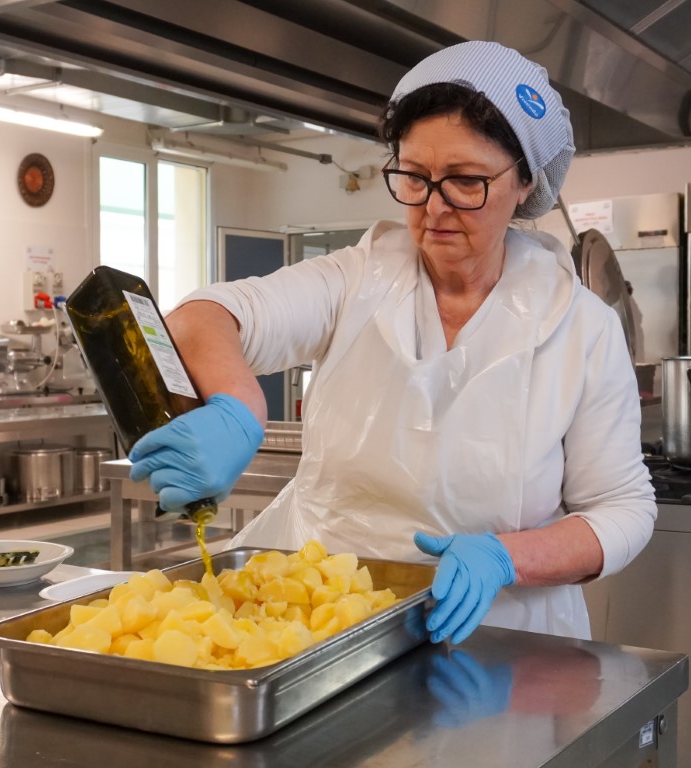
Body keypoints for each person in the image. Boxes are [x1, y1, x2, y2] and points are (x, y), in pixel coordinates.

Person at [127, 40, 656, 643]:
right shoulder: (355, 281)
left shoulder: (580, 327)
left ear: (524, 182)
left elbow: (623, 510)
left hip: (504, 640)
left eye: (465, 181)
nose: (434, 207)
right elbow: (203, 315)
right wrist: (239, 405)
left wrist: (507, 558)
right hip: (327, 632)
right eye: (414, 177)